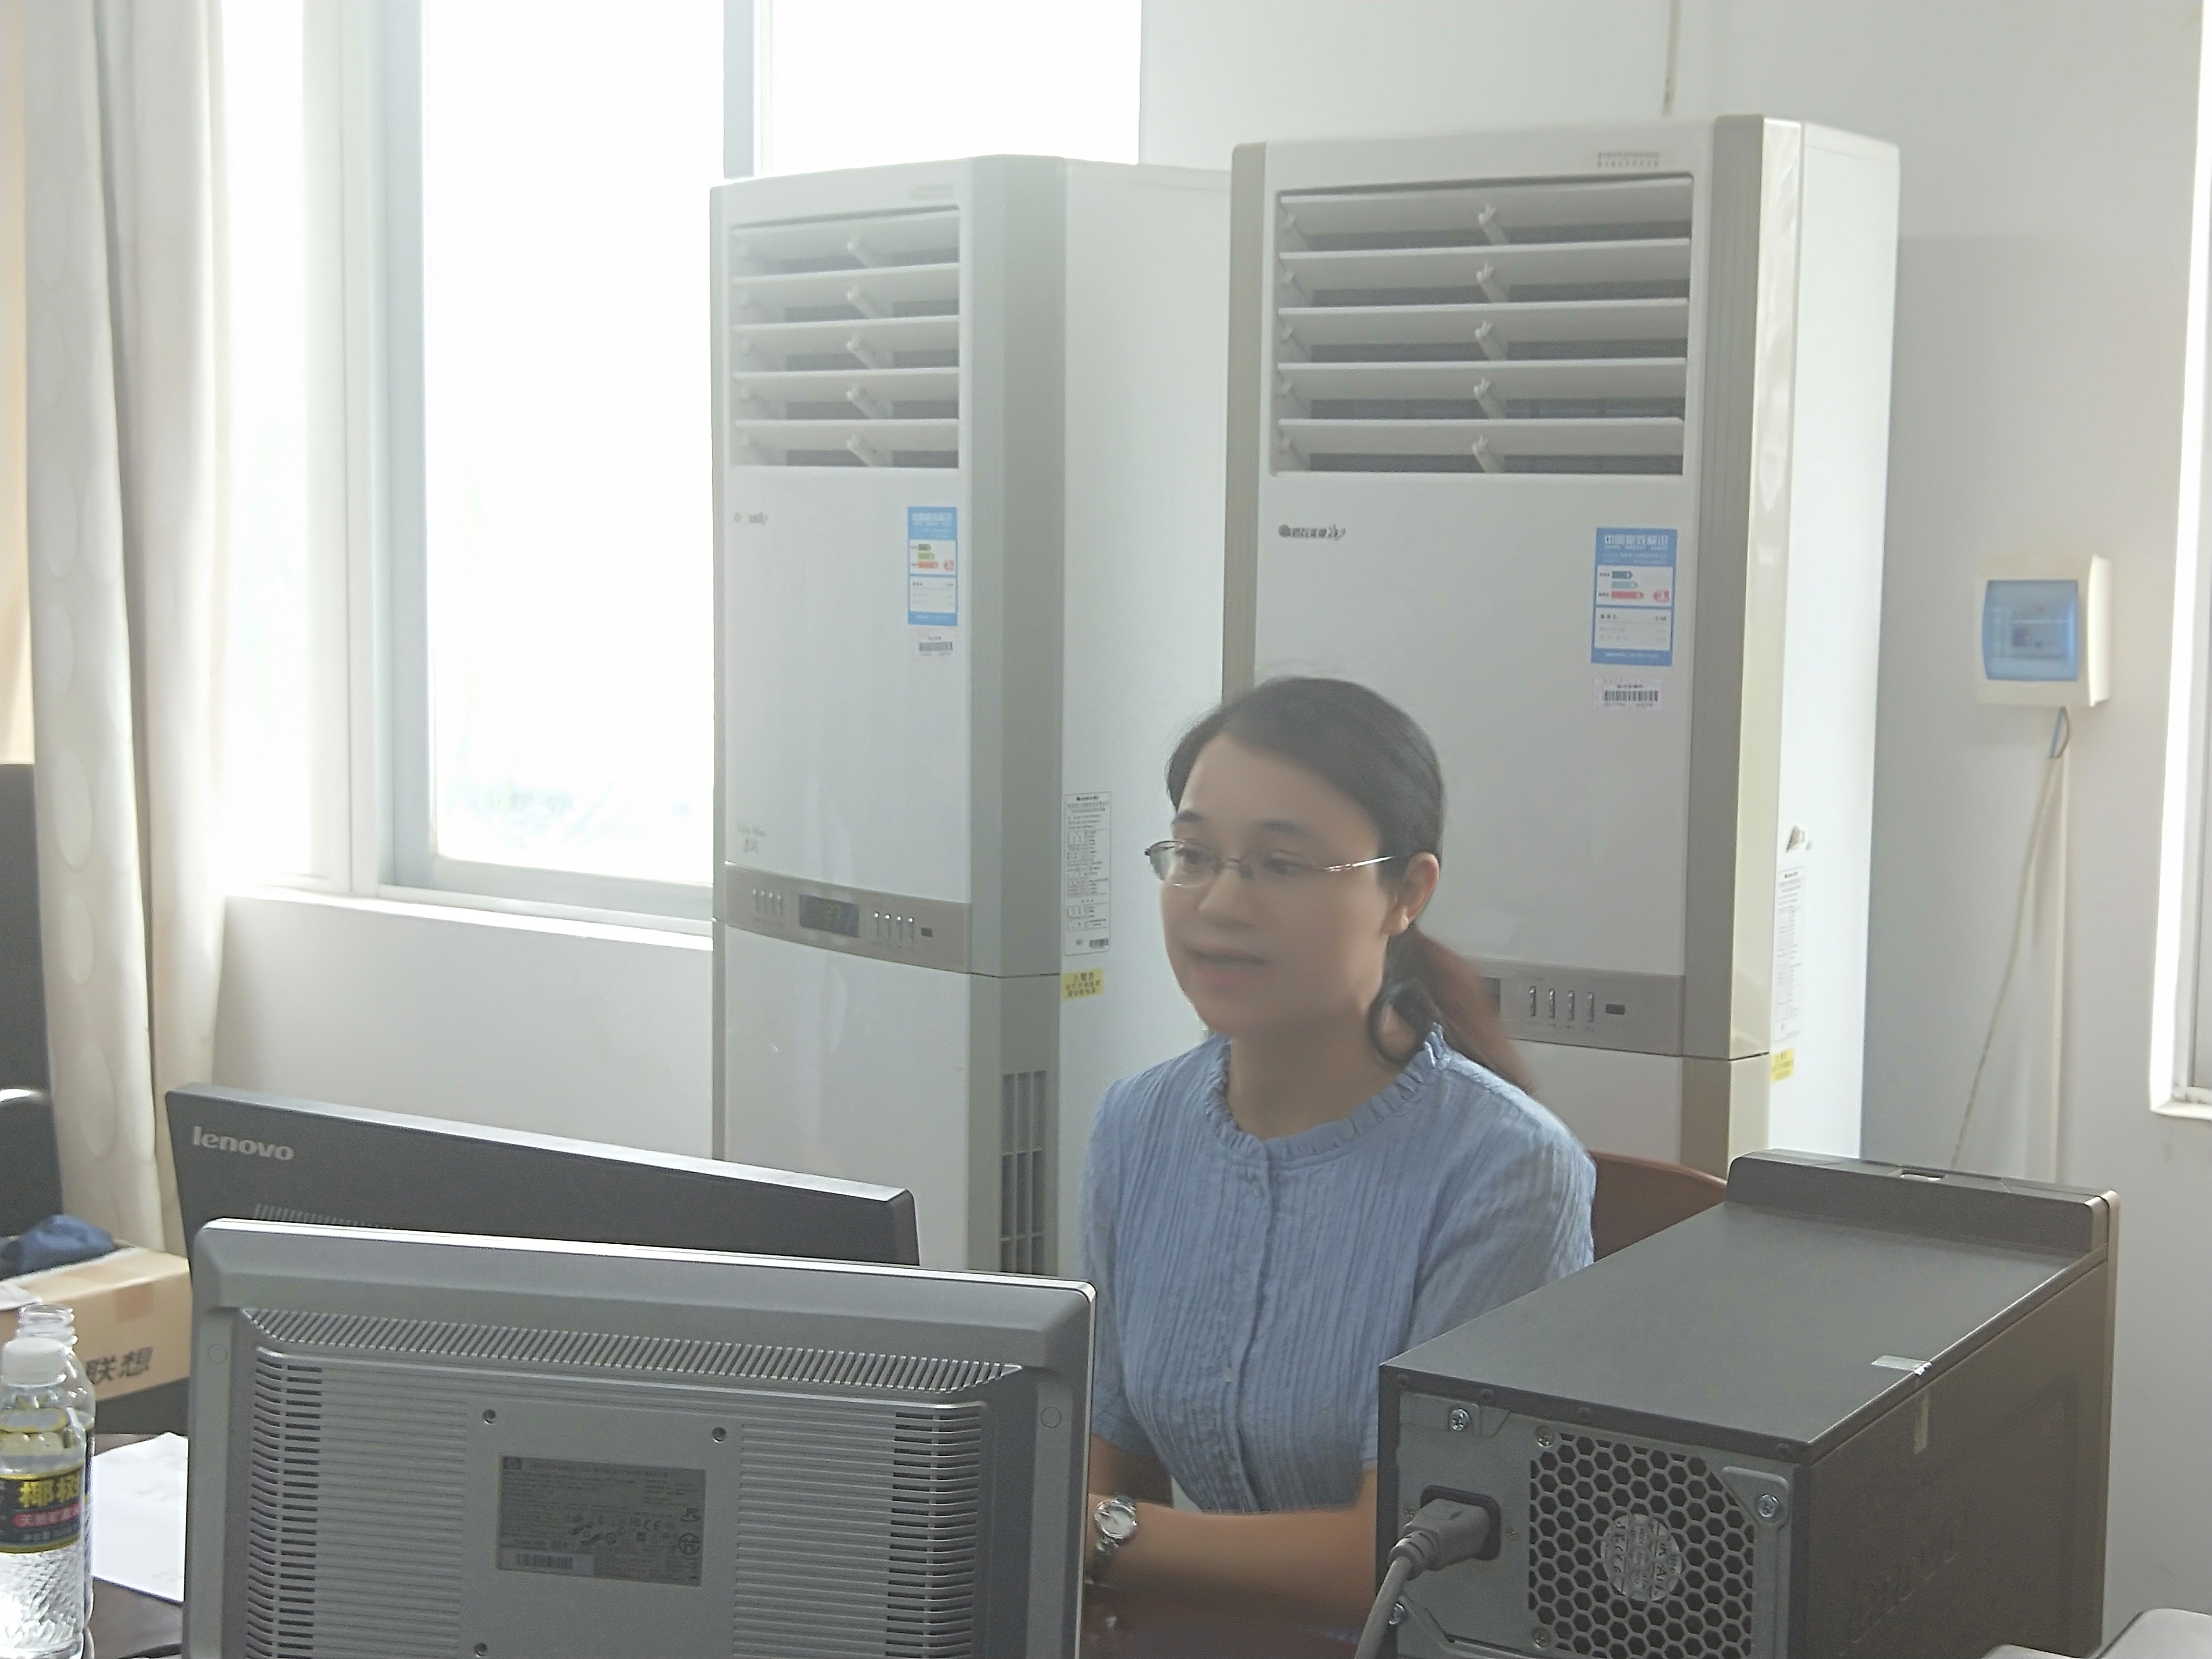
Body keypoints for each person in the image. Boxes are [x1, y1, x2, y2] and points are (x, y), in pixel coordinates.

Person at [1081, 676, 1595, 1628]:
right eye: (1193, 856)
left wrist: (1103, 1535)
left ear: (1406, 892)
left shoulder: (1507, 1173)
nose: (1220, 902)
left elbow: (1405, 1559)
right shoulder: (1136, 1127)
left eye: (1281, 865)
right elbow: (1110, 1466)